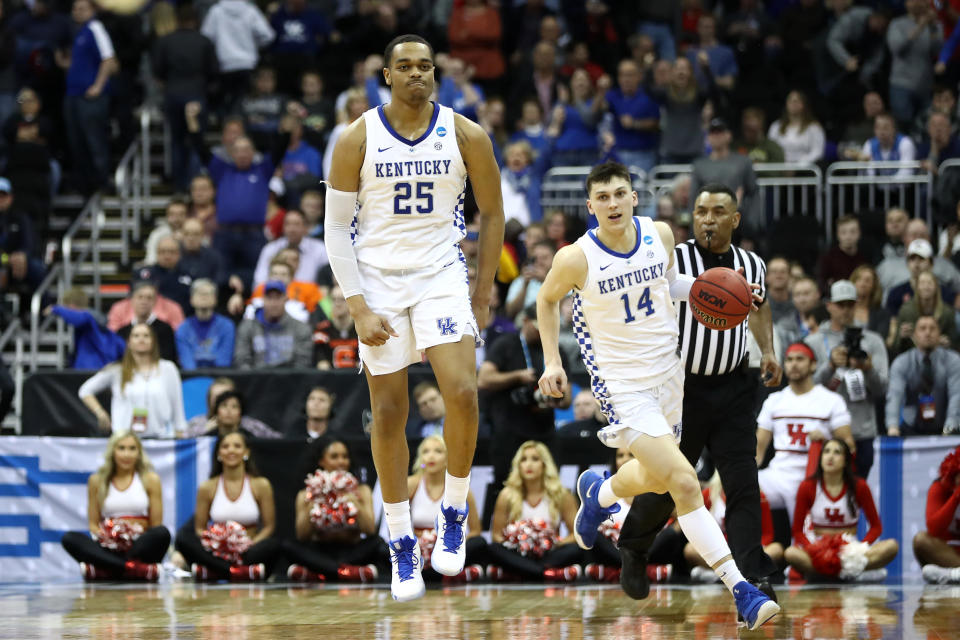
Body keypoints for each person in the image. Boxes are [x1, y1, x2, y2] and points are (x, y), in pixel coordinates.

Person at [536, 165, 779, 629]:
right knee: (685, 483)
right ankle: (741, 589)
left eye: (620, 194)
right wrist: (552, 361)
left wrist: (722, 292)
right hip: (623, 386)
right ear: (590, 206)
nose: (612, 203)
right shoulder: (576, 257)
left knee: (653, 475)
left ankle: (600, 492)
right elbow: (546, 301)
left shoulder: (660, 235)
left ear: (634, 198)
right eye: (602, 197)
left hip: (671, 376)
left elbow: (667, 285)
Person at [323, 34, 504, 601]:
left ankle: (453, 509)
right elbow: (334, 230)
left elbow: (493, 213)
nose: (416, 75)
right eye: (405, 67)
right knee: (389, 412)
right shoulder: (356, 137)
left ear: (436, 75)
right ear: (385, 75)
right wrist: (355, 303)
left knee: (463, 393)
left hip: (441, 274)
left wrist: (483, 292)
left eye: (425, 66)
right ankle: (401, 540)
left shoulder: (465, 133)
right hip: (376, 281)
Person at [755, 343, 854, 526]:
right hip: (778, 474)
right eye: (789, 360)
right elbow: (757, 449)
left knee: (804, 542)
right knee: (737, 488)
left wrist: (826, 440)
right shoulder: (774, 400)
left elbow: (849, 446)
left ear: (813, 365)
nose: (794, 364)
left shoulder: (832, 400)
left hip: (814, 477)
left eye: (800, 359)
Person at [478, 303, 571, 493]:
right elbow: (484, 379)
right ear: (526, 321)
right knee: (506, 488)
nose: (543, 333)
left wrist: (554, 396)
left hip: (544, 430)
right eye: (539, 328)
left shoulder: (556, 350)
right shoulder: (506, 344)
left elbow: (567, 398)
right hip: (509, 431)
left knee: (550, 488)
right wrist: (517, 377)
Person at [805, 280, 888, 478]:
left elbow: (882, 388)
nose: (845, 310)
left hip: (862, 429)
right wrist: (830, 366)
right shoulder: (813, 341)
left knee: (858, 493)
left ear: (857, 305)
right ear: (829, 306)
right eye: (840, 305)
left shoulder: (872, 340)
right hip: (825, 430)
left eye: (850, 305)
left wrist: (867, 368)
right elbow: (804, 391)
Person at [61, 431, 170, 581]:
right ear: (112, 451)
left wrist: (130, 534)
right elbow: (93, 524)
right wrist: (112, 538)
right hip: (108, 547)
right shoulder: (97, 480)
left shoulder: (151, 479)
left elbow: (156, 524)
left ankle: (105, 570)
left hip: (139, 545)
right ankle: (133, 569)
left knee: (162, 533)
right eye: (121, 448)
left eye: (132, 448)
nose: (127, 454)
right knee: (70, 538)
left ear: (139, 452)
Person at [784, 439, 898, 581]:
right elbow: (797, 531)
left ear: (845, 461)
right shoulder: (807, 486)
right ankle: (854, 573)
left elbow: (876, 527)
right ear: (820, 458)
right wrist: (812, 548)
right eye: (826, 452)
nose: (830, 457)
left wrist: (860, 548)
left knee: (891, 546)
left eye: (837, 452)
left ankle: (824, 574)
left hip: (850, 549)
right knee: (790, 553)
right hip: (819, 548)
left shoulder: (860, 486)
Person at [175, 432, 280, 581]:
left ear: (246, 452)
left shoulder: (261, 485)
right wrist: (216, 546)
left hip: (248, 550)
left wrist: (248, 545)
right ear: (218, 453)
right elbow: (199, 528)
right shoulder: (207, 487)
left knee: (273, 545)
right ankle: (238, 572)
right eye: (225, 446)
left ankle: (214, 571)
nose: (231, 450)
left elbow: (269, 527)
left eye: (237, 446)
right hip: (217, 552)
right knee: (183, 539)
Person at [283, 436, 384, 583]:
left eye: (345, 456)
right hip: (320, 551)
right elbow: (302, 535)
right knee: (288, 546)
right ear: (321, 461)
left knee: (377, 543)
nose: (341, 461)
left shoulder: (361, 490)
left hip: (351, 550)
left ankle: (320, 573)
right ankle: (348, 572)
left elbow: (369, 530)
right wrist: (314, 502)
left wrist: (354, 502)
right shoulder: (306, 493)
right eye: (334, 457)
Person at [486, 441, 583, 583]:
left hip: (549, 553)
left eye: (535, 459)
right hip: (518, 553)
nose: (529, 464)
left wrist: (552, 543)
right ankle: (546, 573)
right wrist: (519, 543)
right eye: (523, 460)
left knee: (576, 549)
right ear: (518, 465)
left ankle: (521, 573)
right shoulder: (506, 495)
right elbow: (496, 535)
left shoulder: (561, 494)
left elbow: (575, 534)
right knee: (494, 549)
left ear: (545, 464)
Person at [78, 324, 187, 439]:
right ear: (128, 342)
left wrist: (180, 429)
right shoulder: (116, 370)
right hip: (124, 440)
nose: (141, 339)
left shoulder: (168, 368)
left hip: (161, 438)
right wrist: (100, 412)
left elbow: (177, 403)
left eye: (146, 335)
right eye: (136, 336)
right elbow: (85, 390)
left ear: (153, 341)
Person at [408, 435, 486, 583]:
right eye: (426, 451)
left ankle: (435, 576)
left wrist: (445, 544)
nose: (431, 456)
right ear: (420, 458)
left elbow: (475, 530)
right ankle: (454, 576)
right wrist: (422, 544)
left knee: (479, 543)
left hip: (449, 549)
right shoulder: (411, 484)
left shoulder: (461, 489)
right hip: (418, 549)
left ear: (447, 457)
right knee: (383, 549)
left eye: (438, 451)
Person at [60, 0, 116, 195]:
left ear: (93, 10)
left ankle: (102, 180)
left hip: (89, 97)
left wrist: (98, 86)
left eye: (82, 8)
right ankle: (85, 184)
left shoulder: (95, 27)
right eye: (74, 8)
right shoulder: (78, 32)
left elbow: (109, 59)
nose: (77, 12)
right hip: (73, 94)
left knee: (94, 140)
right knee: (77, 142)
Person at [886, 315, 960, 437]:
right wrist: (892, 427)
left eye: (932, 328)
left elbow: (956, 395)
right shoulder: (902, 362)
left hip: (944, 425)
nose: (927, 332)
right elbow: (895, 395)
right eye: (922, 328)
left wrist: (950, 428)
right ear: (914, 335)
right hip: (910, 426)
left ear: (939, 334)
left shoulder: (953, 360)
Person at [233, 280, 312, 369]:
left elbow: (302, 365)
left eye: (278, 297)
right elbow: (242, 361)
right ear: (263, 299)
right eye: (269, 298)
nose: (274, 303)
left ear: (285, 299)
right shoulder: (248, 327)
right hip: (255, 380)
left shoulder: (301, 329)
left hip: (290, 380)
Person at [915, 445, 960, 583]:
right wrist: (956, 496)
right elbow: (933, 529)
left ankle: (951, 575)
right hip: (947, 552)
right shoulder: (938, 488)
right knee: (921, 540)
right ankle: (954, 574)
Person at [183, 377, 279, 438]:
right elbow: (181, 442)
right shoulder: (197, 423)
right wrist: (204, 430)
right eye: (217, 398)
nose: (227, 408)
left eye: (227, 397)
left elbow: (277, 441)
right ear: (209, 400)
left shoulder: (250, 425)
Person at [890, 270, 957, 356]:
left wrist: (948, 344)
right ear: (916, 287)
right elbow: (895, 346)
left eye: (929, 283)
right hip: (911, 356)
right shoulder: (906, 310)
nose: (926, 287)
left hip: (940, 356)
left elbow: (955, 343)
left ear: (936, 287)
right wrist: (902, 337)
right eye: (922, 283)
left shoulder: (947, 312)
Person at [767, 90, 826, 165]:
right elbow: (770, 149)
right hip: (780, 168)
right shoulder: (776, 126)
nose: (793, 104)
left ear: (803, 104)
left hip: (805, 169)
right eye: (790, 100)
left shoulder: (814, 127)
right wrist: (783, 165)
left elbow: (818, 152)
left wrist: (799, 165)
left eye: (796, 101)